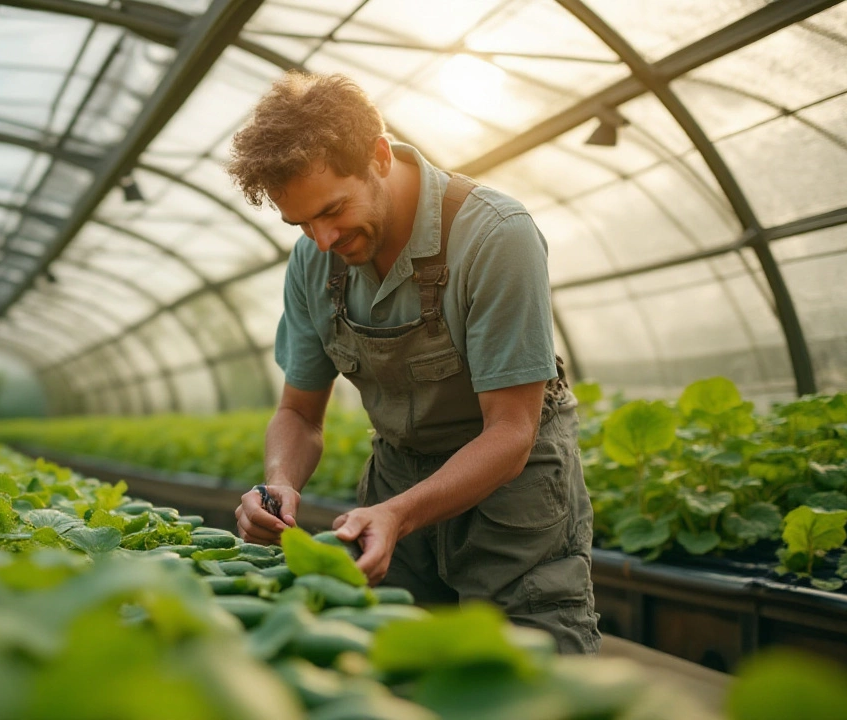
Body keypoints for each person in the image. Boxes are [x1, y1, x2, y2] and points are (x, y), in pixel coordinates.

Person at [225, 71, 601, 654]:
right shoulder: (313, 262)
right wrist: (278, 484)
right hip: (397, 473)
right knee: (400, 667)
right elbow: (299, 414)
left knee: (531, 667)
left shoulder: (494, 235)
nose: (321, 240)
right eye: (301, 224)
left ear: (378, 156)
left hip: (512, 489)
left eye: (332, 210)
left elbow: (512, 432)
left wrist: (396, 515)